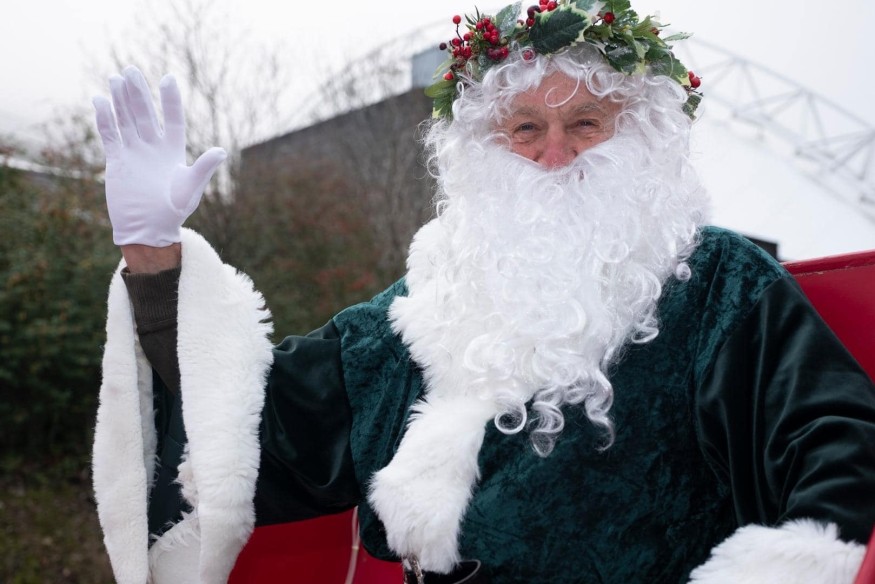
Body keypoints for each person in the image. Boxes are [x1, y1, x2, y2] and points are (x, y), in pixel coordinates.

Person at [91, 2, 875, 583]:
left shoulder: (719, 280)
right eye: (524, 129)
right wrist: (154, 258)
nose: (554, 155)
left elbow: (837, 447)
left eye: (586, 124)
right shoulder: (428, 300)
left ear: (639, 135)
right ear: (483, 149)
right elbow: (261, 418)